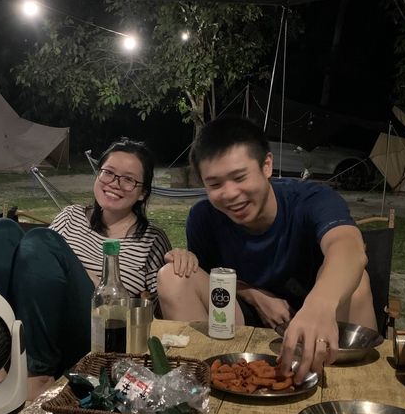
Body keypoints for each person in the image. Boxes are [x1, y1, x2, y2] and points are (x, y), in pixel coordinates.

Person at [157, 116, 377, 384]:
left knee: (357, 283)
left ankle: (354, 385)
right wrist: (255, 295)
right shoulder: (204, 217)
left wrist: (318, 306)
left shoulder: (310, 199)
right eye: (215, 184)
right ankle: (207, 380)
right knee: (172, 276)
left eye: (239, 177)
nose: (230, 194)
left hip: (320, 321)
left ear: (267, 165)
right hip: (242, 322)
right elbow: (216, 278)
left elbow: (349, 247)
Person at [0, 138, 194, 399]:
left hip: (95, 334)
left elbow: (156, 311)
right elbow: (35, 268)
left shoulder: (151, 238)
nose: (114, 183)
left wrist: (181, 258)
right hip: (38, 324)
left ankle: (38, 375)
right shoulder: (70, 216)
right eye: (108, 173)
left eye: (128, 179)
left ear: (143, 192)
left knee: (42, 240)